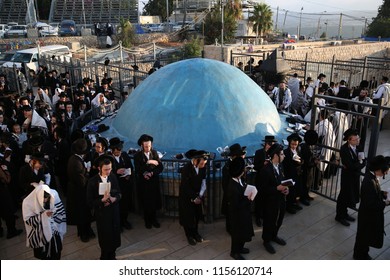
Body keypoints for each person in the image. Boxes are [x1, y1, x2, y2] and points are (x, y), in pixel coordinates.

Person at [353, 155, 390, 260]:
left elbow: (375, 193)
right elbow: (371, 204)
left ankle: (363, 253)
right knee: (363, 237)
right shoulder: (369, 182)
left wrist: (383, 193)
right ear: (378, 169)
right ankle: (359, 256)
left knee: (365, 236)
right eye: (385, 171)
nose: (386, 173)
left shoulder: (372, 177)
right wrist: (386, 203)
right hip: (367, 215)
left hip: (367, 214)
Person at [87, 154, 121, 260]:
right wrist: (101, 201)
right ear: (99, 168)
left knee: (115, 234)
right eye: (106, 170)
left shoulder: (113, 177)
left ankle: (113, 255)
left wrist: (114, 199)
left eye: (110, 169)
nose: (108, 172)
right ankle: (104, 256)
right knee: (105, 235)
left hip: (113, 211)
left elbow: (119, 193)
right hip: (102, 214)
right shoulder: (92, 182)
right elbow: (89, 202)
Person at [22, 183, 66, 259]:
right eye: (43, 199)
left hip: (54, 234)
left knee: (56, 254)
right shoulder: (28, 202)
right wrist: (44, 216)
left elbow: (61, 213)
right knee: (44, 256)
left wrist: (53, 214)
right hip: (40, 235)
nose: (45, 200)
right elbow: (28, 221)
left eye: (47, 198)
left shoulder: (53, 194)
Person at [258, 143, 289, 254]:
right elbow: (262, 189)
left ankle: (274, 235)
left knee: (279, 219)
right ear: (275, 156)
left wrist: (286, 189)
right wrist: (276, 188)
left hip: (280, 199)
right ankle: (266, 240)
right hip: (270, 202)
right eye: (281, 154)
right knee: (269, 221)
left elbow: (283, 180)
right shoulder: (265, 170)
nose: (283, 156)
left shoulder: (280, 166)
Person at [179, 149, 210, 245]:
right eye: (202, 163)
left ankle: (196, 233)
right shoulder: (186, 169)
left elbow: (204, 182)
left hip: (198, 196)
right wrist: (194, 197)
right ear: (196, 161)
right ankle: (189, 235)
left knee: (196, 216)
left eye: (204, 163)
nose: (203, 165)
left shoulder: (203, 167)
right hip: (187, 197)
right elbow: (185, 186)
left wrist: (200, 196)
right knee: (188, 217)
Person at [335, 128, 366, 227]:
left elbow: (363, 161)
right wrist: (359, 163)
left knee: (350, 195)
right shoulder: (344, 149)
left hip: (354, 176)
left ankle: (345, 213)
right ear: (349, 140)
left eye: (358, 139)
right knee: (343, 196)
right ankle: (340, 216)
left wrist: (359, 164)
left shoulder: (358, 147)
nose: (358, 141)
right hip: (347, 177)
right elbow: (350, 165)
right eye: (355, 139)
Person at [66, 138, 94, 242]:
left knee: (83, 214)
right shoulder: (76, 163)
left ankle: (86, 230)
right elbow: (82, 182)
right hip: (78, 193)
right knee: (82, 214)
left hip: (77, 191)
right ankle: (83, 234)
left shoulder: (74, 158)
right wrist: (87, 171)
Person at [134, 134, 163, 229]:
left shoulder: (154, 153)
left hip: (153, 182)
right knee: (146, 202)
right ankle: (147, 221)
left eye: (149, 146)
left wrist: (152, 173)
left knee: (153, 201)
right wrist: (148, 164)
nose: (148, 148)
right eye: (146, 146)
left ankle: (154, 219)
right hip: (144, 184)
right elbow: (138, 169)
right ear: (142, 146)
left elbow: (160, 167)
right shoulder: (137, 156)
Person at [227, 157, 254, 260]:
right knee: (237, 234)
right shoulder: (232, 186)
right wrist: (248, 199)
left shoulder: (240, 180)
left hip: (244, 212)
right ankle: (234, 252)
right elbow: (236, 205)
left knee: (243, 232)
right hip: (237, 215)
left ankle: (240, 248)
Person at [108, 137, 134, 231]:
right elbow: (106, 172)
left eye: (119, 149)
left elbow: (130, 167)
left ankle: (124, 220)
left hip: (125, 184)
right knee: (116, 205)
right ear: (112, 150)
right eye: (116, 150)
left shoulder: (125, 155)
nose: (118, 151)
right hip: (115, 186)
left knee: (125, 204)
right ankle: (117, 223)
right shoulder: (109, 158)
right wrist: (116, 171)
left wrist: (128, 174)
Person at [221, 143, 246, 234]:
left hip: (238, 194)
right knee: (230, 215)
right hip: (231, 196)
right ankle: (230, 229)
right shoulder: (227, 168)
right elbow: (225, 184)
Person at [253, 135, 278, 227]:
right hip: (260, 179)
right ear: (265, 144)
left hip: (270, 180)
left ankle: (264, 215)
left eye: (272, 144)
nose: (270, 145)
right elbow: (256, 166)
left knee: (267, 199)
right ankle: (258, 217)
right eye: (268, 143)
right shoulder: (259, 152)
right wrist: (263, 164)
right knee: (259, 199)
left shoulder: (275, 153)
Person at [283, 133, 307, 214]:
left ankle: (294, 203)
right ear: (289, 143)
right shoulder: (286, 152)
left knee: (296, 190)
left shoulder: (298, 151)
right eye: (292, 144)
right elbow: (285, 164)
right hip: (289, 174)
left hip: (297, 174)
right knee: (290, 191)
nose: (294, 146)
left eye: (295, 145)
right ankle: (289, 206)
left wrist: (299, 161)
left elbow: (303, 160)